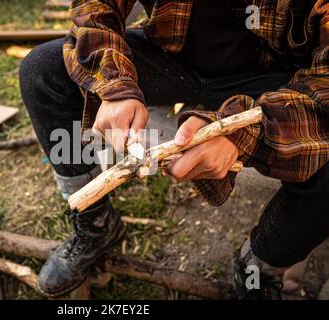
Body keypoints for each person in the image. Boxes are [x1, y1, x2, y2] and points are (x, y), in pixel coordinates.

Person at [19, 0, 329, 299]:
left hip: (275, 80)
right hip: (176, 59)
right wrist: (115, 85)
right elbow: (96, 7)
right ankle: (96, 226)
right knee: (42, 72)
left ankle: (259, 267)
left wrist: (244, 135)